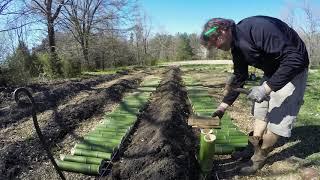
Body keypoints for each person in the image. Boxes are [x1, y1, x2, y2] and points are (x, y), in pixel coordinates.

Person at [200, 16, 309, 175]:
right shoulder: (237, 48)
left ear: (223, 30)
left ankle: (259, 157)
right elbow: (239, 77)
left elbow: (295, 59)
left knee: (279, 119)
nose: (216, 47)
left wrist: (266, 88)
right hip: (273, 71)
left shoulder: (258, 28)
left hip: (293, 70)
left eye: (215, 42)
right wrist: (221, 108)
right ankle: (253, 146)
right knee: (260, 109)